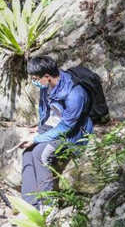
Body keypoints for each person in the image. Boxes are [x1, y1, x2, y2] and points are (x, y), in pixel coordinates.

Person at [18, 56, 93, 208]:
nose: (34, 82)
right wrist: (38, 129)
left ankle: (47, 205)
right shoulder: (47, 86)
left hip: (74, 131)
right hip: (54, 125)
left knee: (41, 154)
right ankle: (28, 204)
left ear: (47, 76)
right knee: (27, 153)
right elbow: (45, 110)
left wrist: (37, 139)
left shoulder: (75, 94)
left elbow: (66, 127)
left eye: (35, 78)